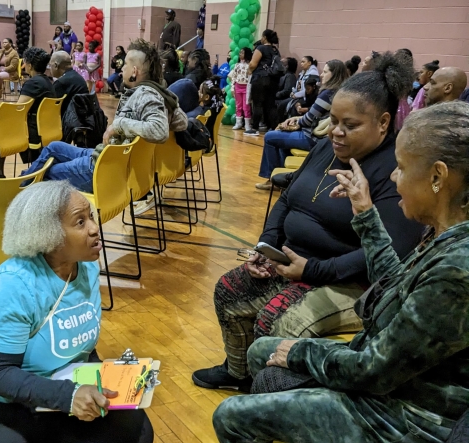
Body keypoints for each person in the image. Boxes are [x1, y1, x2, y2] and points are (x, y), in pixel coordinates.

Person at [213, 100, 469, 443]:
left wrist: (304, 352)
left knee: (229, 416)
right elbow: (390, 289)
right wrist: (364, 211)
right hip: (388, 377)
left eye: (402, 168)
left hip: (407, 417)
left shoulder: (456, 270)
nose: (393, 177)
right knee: (260, 352)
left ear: (438, 176)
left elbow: (375, 372)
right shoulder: (445, 230)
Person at [192, 51, 424, 393]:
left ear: (384, 123)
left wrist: (312, 270)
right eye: (333, 120)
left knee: (276, 321)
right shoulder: (326, 149)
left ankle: (263, 396)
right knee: (230, 289)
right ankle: (238, 372)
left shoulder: (394, 171)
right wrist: (266, 247)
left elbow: (391, 252)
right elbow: (287, 199)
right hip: (293, 263)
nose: (336, 132)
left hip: (347, 282)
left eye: (351, 125)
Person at [0, 181, 154, 443]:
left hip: (66, 391)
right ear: (47, 235)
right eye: (80, 222)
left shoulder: (87, 268)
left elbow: (84, 351)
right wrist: (68, 396)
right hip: (8, 402)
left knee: (138, 428)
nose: (96, 228)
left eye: (91, 217)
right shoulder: (12, 284)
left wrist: (114, 378)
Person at [20, 38, 187, 196]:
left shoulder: (147, 94)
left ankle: (18, 192)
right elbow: (182, 122)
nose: (122, 69)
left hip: (103, 169)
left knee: (44, 172)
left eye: (126, 65)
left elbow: (159, 130)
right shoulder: (160, 94)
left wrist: (119, 124)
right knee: (54, 148)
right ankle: (22, 182)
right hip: (103, 156)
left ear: (134, 71)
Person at [255, 59, 349, 190]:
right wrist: (296, 118)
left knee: (270, 137)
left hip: (314, 138)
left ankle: (272, 179)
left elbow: (308, 120)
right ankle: (282, 180)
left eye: (325, 72)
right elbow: (312, 116)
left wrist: (296, 121)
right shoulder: (338, 92)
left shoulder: (328, 94)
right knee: (280, 139)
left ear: (334, 75)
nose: (321, 75)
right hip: (321, 138)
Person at [0, 47, 53, 180]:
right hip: (44, 127)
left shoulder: (33, 83)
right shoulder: (48, 82)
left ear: (30, 65)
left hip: (31, 130)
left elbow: (18, 111)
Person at [244, 29, 281, 135]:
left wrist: (249, 71)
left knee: (258, 104)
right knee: (270, 104)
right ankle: (274, 127)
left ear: (264, 38)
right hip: (273, 80)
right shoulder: (275, 50)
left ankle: (254, 128)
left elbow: (252, 64)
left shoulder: (260, 48)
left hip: (260, 79)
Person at [49, 50, 88, 114]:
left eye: (50, 65)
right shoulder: (77, 76)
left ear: (56, 66)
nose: (50, 68)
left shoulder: (61, 82)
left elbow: (52, 107)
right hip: (82, 117)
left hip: (71, 120)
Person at [228, 47, 253, 131]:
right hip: (238, 87)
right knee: (238, 106)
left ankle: (247, 124)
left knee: (246, 106)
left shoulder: (250, 65)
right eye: (240, 53)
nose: (240, 54)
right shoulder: (237, 65)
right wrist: (232, 87)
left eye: (242, 53)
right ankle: (238, 123)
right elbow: (233, 77)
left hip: (246, 87)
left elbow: (251, 77)